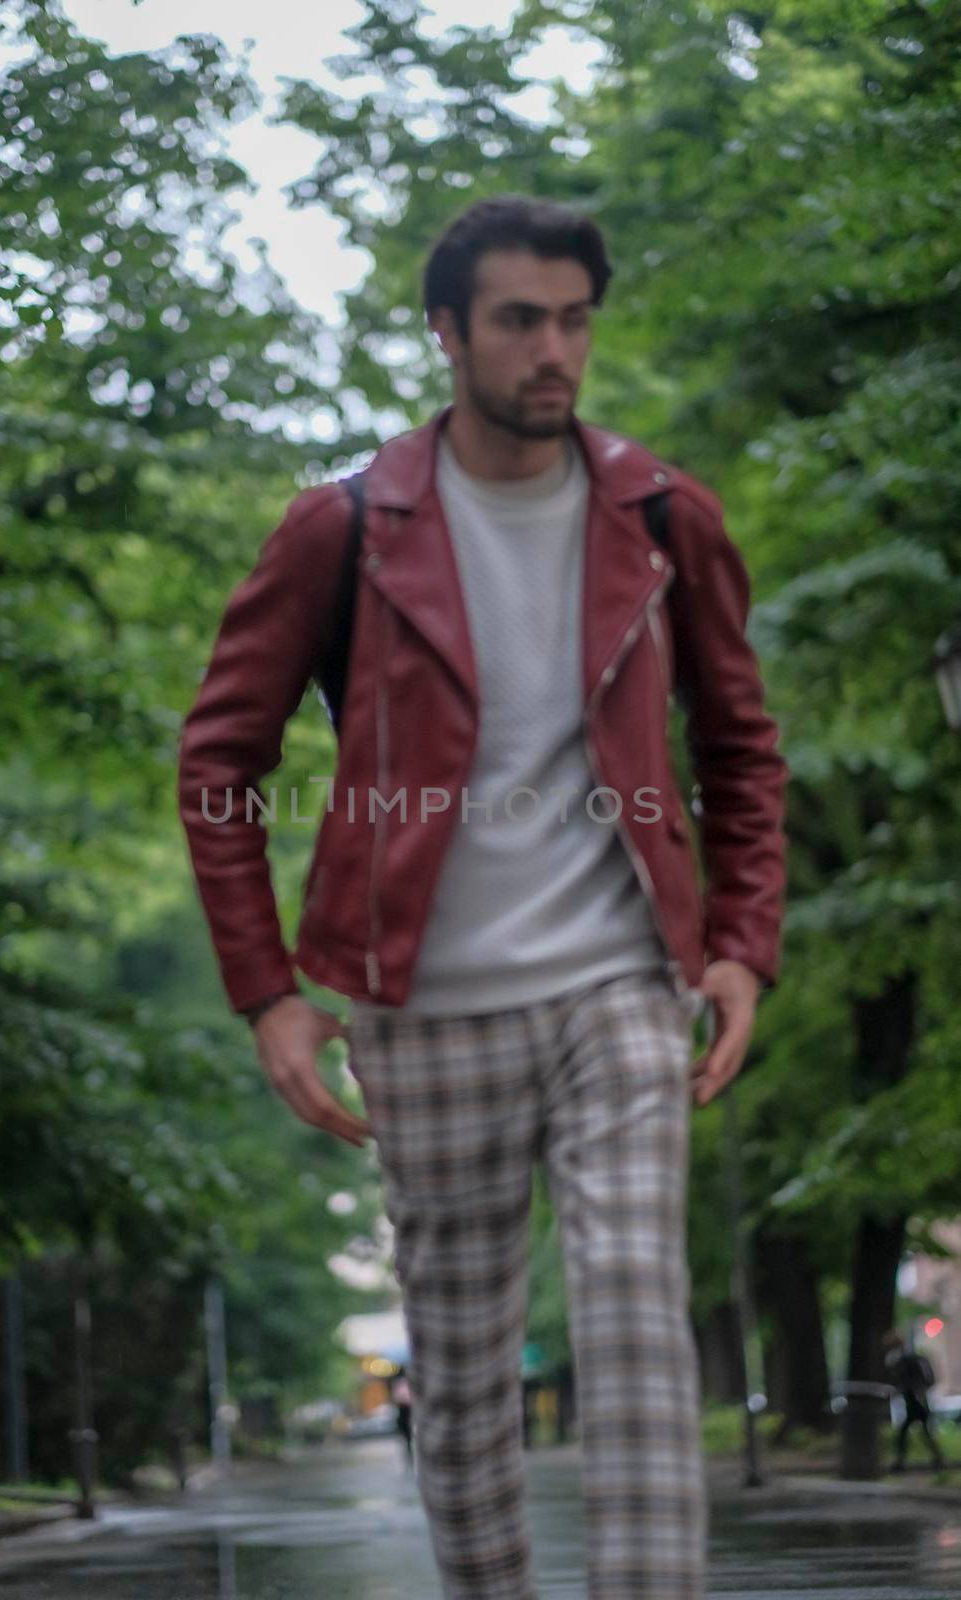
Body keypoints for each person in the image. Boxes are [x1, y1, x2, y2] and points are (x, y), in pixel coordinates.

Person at [178, 195, 788, 1600]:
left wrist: (739, 942)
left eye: (572, 318)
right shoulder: (341, 529)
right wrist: (265, 987)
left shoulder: (658, 516)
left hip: (617, 983)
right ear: (446, 331)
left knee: (635, 1310)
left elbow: (740, 743)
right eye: (518, 320)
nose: (551, 351)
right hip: (420, 1001)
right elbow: (221, 757)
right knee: (457, 1381)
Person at [884, 1331, 947, 1473]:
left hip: (915, 1400)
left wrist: (905, 1390)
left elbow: (905, 1381)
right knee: (922, 1432)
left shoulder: (906, 1360)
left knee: (905, 1433)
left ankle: (901, 1463)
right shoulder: (911, 1359)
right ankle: (937, 1459)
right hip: (916, 1400)